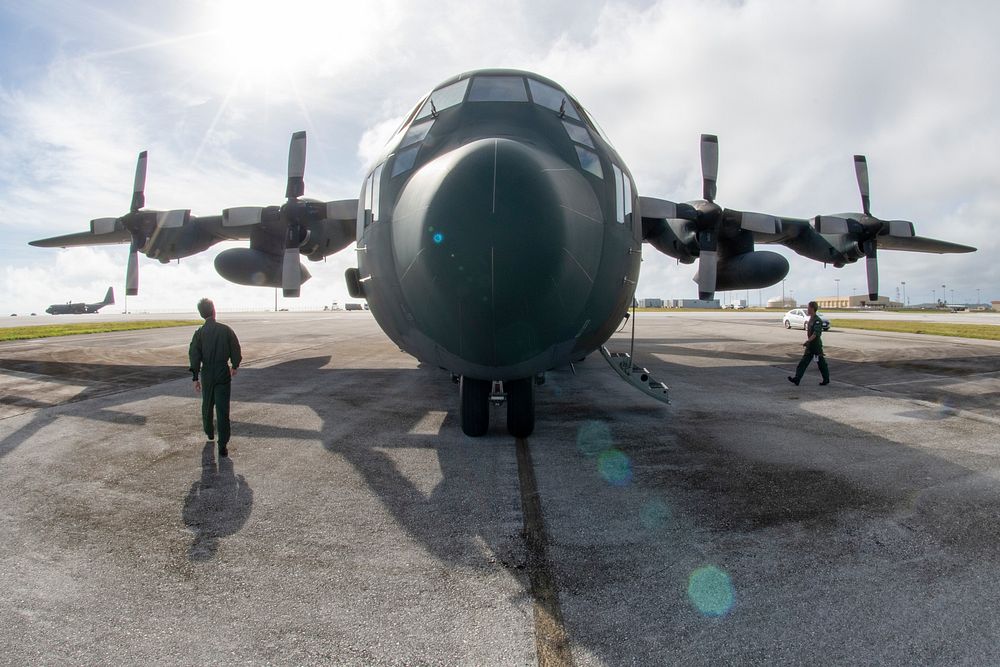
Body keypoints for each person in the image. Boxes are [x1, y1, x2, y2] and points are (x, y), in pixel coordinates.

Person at [189, 298, 242, 457]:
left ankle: (209, 432)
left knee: (207, 404)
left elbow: (194, 355)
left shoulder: (199, 333)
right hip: (221, 370)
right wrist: (234, 365)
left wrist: (195, 377)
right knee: (222, 408)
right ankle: (223, 444)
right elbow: (235, 348)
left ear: (201, 314)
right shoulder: (226, 330)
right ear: (214, 310)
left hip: (207, 372)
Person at [787, 300, 830, 386]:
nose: (808, 309)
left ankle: (826, 379)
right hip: (810, 346)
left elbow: (815, 333)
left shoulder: (817, 320)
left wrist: (808, 341)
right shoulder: (811, 319)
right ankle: (797, 379)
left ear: (813, 309)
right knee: (803, 363)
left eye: (809, 308)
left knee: (821, 364)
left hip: (816, 346)